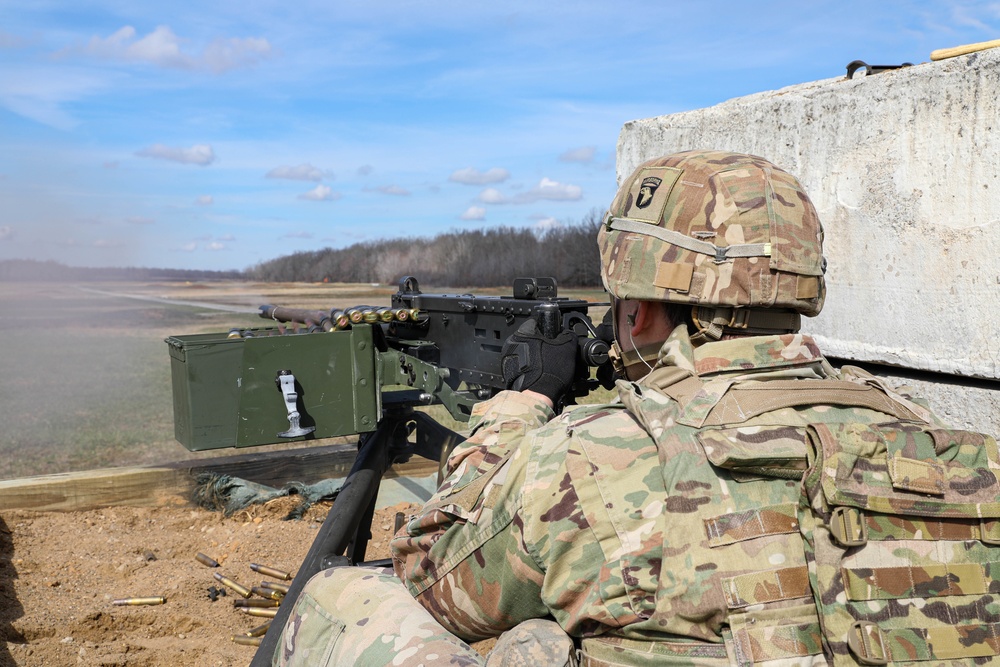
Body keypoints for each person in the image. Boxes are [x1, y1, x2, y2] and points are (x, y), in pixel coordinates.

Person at [274, 150, 1000, 666]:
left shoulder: (593, 460)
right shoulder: (927, 436)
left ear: (642, 312)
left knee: (343, 597)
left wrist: (518, 407)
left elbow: (433, 575)